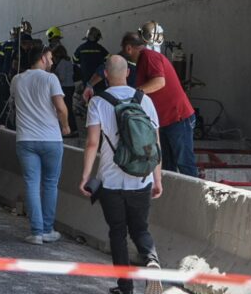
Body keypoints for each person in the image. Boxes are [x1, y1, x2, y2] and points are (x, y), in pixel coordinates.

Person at [80, 55, 164, 294]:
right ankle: (151, 260)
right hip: (142, 178)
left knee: (117, 232)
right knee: (141, 229)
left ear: (105, 75)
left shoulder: (98, 102)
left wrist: (85, 177)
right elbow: (155, 144)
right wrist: (157, 179)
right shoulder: (145, 100)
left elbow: (92, 143)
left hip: (111, 180)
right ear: (128, 73)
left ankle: (125, 287)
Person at [10, 42, 71, 244]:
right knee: (50, 184)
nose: (52, 61)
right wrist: (66, 126)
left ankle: (36, 232)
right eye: (51, 58)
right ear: (43, 57)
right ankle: (47, 229)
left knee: (31, 184)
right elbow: (61, 108)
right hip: (51, 139)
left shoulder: (17, 80)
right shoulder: (50, 79)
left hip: (26, 139)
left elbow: (14, 105)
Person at [120, 31, 198, 176]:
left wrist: (135, 94)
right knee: (167, 164)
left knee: (184, 162)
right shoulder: (143, 61)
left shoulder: (149, 57)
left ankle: (194, 197)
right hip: (166, 120)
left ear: (129, 48)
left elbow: (159, 82)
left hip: (177, 118)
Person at [51, 44, 78, 135]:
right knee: (68, 108)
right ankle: (72, 129)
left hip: (65, 87)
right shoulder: (68, 61)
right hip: (70, 86)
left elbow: (61, 77)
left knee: (66, 109)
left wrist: (53, 75)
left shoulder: (62, 63)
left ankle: (71, 129)